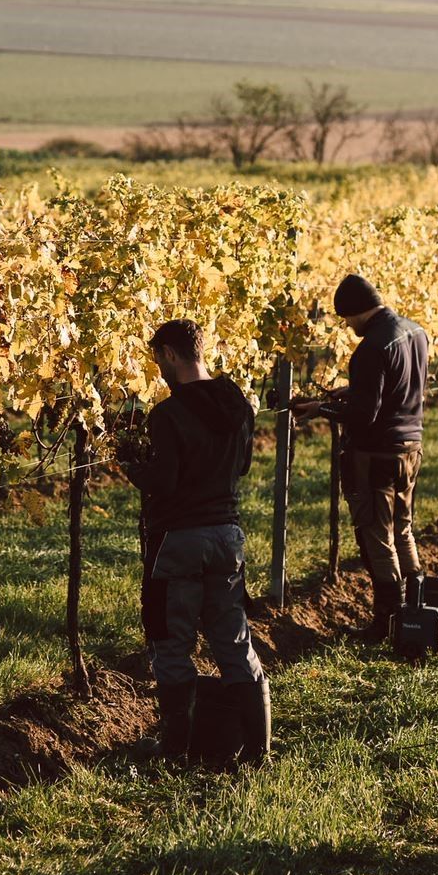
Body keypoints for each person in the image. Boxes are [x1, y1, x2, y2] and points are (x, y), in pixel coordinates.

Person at [122, 319, 271, 765]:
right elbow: (241, 467)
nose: (158, 368)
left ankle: (174, 751)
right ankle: (258, 751)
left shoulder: (166, 416)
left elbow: (162, 485)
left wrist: (127, 462)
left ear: (170, 354)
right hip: (227, 536)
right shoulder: (238, 404)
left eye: (157, 358)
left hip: (178, 542)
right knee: (233, 639)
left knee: (172, 641)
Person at [293, 274, 430, 642]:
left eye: (347, 318)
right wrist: (353, 389)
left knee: (376, 534)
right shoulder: (414, 332)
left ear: (356, 311)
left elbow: (365, 416)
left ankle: (386, 624)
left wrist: (321, 408)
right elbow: (396, 385)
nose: (348, 326)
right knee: (403, 528)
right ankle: (416, 612)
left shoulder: (371, 348)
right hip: (410, 449)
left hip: (376, 455)